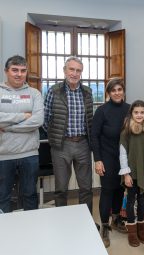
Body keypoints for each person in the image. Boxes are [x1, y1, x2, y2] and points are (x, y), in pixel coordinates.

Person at [43, 56, 94, 213]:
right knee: (61, 188)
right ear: (65, 71)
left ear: (81, 73)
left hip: (83, 144)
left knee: (86, 187)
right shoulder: (54, 91)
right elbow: (45, 118)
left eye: (78, 70)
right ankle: (61, 221)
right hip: (61, 145)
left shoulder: (87, 92)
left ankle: (86, 221)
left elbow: (90, 119)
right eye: (71, 69)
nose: (74, 73)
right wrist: (56, 136)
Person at [0, 55, 44, 213]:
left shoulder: (34, 93)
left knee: (30, 195)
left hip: (29, 154)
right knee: (3, 197)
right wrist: (22, 116)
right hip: (3, 155)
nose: (19, 74)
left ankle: (31, 233)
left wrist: (8, 127)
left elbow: (37, 121)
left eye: (23, 71)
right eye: (15, 70)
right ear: (6, 71)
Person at [91, 78, 130, 248]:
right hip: (106, 157)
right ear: (108, 93)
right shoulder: (101, 111)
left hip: (124, 158)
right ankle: (105, 227)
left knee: (120, 190)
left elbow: (143, 121)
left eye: (119, 89)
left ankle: (116, 220)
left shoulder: (129, 109)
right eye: (113, 90)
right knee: (107, 191)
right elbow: (94, 136)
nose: (117, 93)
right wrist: (97, 160)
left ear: (123, 91)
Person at [119, 100, 144, 247]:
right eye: (136, 112)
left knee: (142, 201)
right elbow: (122, 153)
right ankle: (132, 232)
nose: (139, 115)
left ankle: (141, 229)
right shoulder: (126, 131)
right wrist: (126, 174)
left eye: (142, 112)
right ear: (131, 113)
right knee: (131, 201)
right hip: (131, 172)